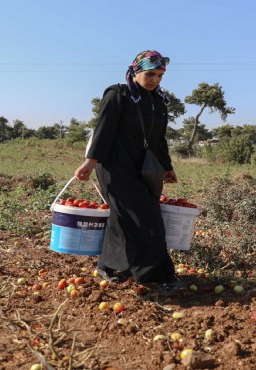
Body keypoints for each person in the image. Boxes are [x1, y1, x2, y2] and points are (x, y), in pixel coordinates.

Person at [74, 50, 179, 287]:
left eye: (160, 76)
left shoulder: (159, 101)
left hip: (145, 167)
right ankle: (153, 276)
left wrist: (167, 167)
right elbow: (104, 130)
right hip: (115, 165)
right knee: (146, 217)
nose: (155, 80)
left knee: (123, 217)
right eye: (150, 74)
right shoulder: (118, 94)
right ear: (136, 70)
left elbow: (159, 139)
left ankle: (108, 265)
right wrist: (90, 163)